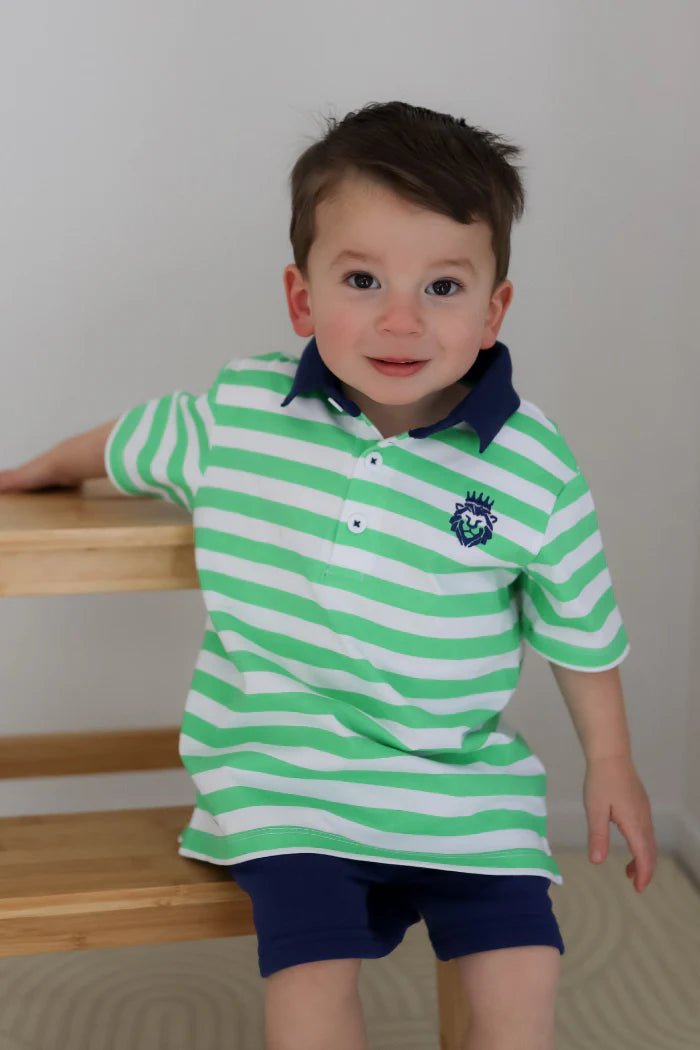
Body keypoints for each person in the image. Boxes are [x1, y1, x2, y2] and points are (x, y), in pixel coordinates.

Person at [0, 101, 656, 1050]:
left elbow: (581, 625)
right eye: (362, 279)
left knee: (525, 969)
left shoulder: (532, 463)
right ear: (303, 299)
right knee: (308, 978)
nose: (401, 319)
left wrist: (613, 762)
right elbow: (130, 439)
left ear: (493, 308)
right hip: (287, 766)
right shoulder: (244, 412)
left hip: (457, 774)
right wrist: (41, 470)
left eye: (442, 286)